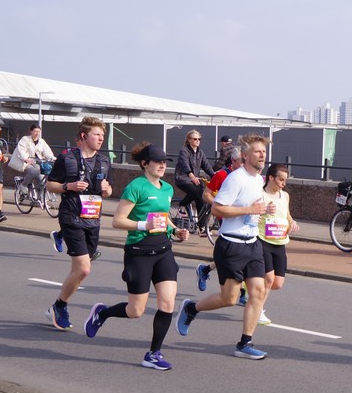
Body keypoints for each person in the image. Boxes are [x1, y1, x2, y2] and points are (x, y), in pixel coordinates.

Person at [84, 144, 190, 370]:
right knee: (135, 311)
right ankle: (102, 313)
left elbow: (163, 217)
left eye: (165, 162)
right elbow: (118, 220)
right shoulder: (136, 187)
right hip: (139, 252)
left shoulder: (167, 189)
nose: (162, 165)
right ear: (144, 163)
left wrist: (175, 231)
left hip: (163, 250)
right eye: (158, 162)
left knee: (167, 302)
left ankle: (153, 354)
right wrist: (143, 225)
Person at [177, 134, 273, 359]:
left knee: (258, 291)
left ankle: (244, 343)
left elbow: (251, 208)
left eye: (264, 152)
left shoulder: (258, 180)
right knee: (229, 298)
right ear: (245, 155)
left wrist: (262, 210)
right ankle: (191, 308)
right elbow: (218, 209)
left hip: (252, 243)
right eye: (258, 151)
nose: (262, 155)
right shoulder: (235, 179)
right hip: (231, 244)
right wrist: (249, 210)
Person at [46, 117, 113, 330]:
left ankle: (58, 306)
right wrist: (69, 186)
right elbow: (50, 184)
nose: (101, 138)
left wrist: (107, 191)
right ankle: (60, 306)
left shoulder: (104, 161)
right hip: (71, 216)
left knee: (81, 270)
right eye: (97, 134)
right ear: (84, 136)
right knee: (84, 270)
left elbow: (108, 191)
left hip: (93, 219)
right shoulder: (67, 157)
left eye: (102, 135)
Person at [194, 146, 242, 292]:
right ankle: (241, 291)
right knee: (235, 254)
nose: (245, 164)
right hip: (227, 218)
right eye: (242, 161)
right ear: (233, 160)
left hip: (245, 218)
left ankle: (205, 269)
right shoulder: (222, 175)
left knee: (239, 254)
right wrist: (218, 205)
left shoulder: (251, 177)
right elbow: (206, 194)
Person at [257, 162, 299, 326]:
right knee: (268, 278)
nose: (283, 183)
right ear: (270, 178)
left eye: (285, 180)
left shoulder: (285, 196)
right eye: (281, 180)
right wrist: (261, 214)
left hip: (280, 242)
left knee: (277, 283)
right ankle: (258, 310)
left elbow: (287, 215)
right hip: (263, 239)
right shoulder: (260, 195)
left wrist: (292, 223)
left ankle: (252, 286)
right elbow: (252, 214)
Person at [174, 130, 213, 225]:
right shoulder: (184, 151)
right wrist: (192, 176)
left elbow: (206, 166)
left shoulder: (200, 153)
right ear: (189, 140)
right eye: (195, 139)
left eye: (199, 139)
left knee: (202, 198)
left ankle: (201, 226)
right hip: (183, 179)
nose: (197, 141)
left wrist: (215, 176)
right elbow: (185, 165)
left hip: (194, 180)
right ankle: (182, 205)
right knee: (196, 192)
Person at [10, 123, 55, 196]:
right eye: (35, 131)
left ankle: (41, 198)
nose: (37, 133)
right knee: (34, 170)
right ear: (31, 131)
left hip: (37, 162)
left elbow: (47, 152)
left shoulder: (42, 141)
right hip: (26, 162)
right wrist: (26, 159)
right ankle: (23, 185)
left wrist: (52, 158)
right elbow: (21, 150)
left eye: (39, 131)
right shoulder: (25, 139)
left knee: (41, 179)